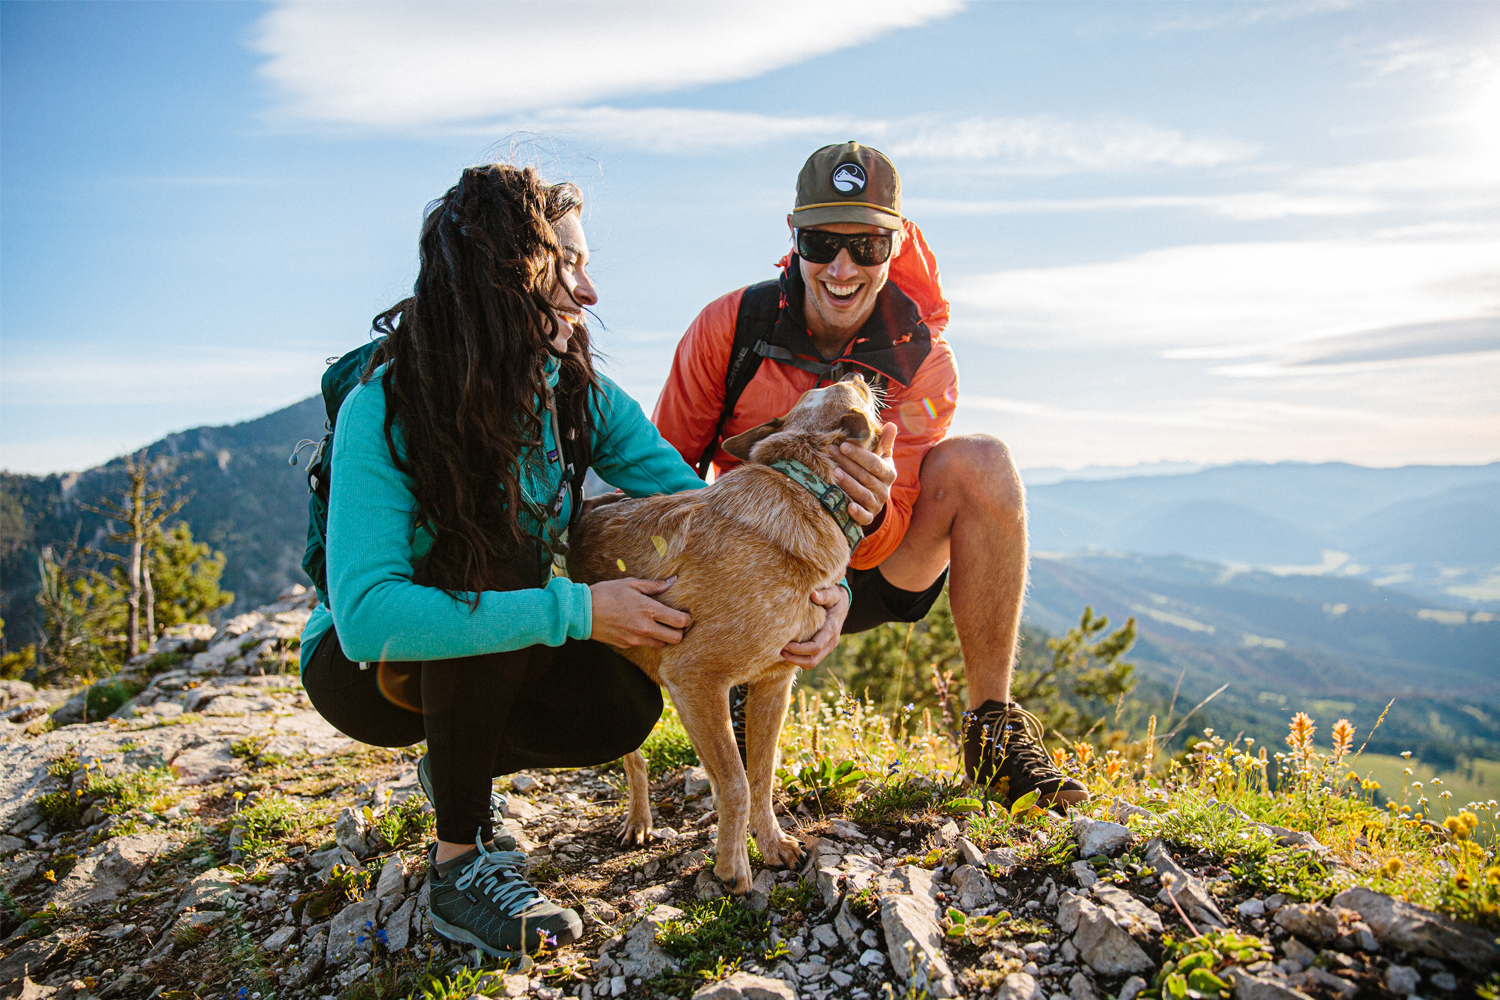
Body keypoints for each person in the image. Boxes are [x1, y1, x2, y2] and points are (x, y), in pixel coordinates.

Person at [296, 163, 887, 958]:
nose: (590, 291)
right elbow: (367, 620)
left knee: (623, 706)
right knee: (498, 542)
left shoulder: (576, 393)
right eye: (566, 265)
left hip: (483, 653)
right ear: (504, 277)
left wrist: (827, 584)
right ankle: (460, 864)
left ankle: (455, 767)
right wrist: (578, 611)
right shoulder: (390, 406)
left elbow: (716, 519)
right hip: (369, 675)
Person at [653, 142, 1088, 810]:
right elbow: (665, 473)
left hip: (869, 563)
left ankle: (993, 731)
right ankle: (739, 669)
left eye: (868, 244)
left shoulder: (924, 359)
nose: (842, 266)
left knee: (983, 463)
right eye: (823, 241)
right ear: (794, 239)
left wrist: (867, 516)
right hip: (749, 563)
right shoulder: (729, 327)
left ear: (897, 242)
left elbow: (894, 520)